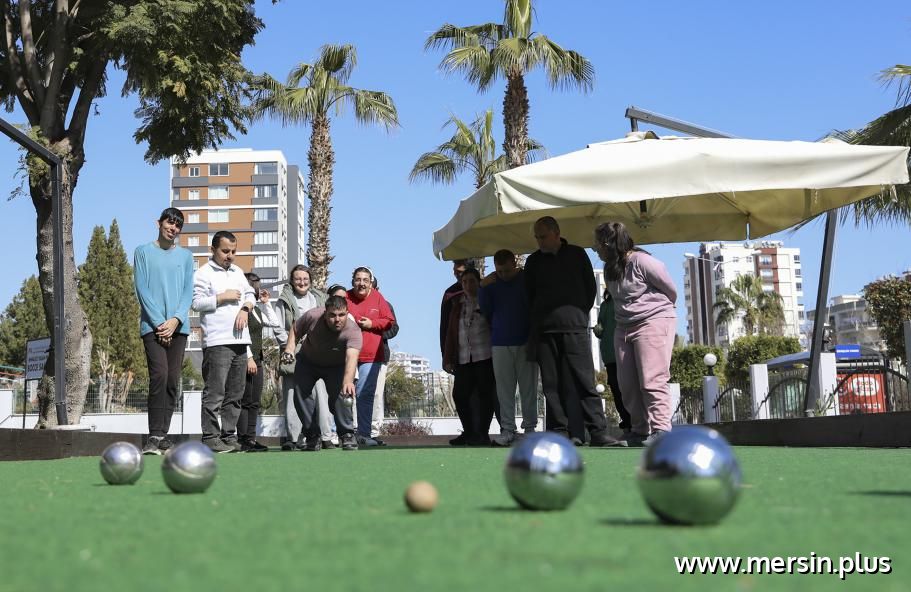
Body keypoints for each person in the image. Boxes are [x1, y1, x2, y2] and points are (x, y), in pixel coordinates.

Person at [524, 216, 616, 446]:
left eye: (543, 236)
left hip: (575, 327)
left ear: (556, 233)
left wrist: (578, 313)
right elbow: (529, 295)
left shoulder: (577, 254)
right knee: (552, 386)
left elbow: (590, 288)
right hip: (545, 331)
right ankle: (560, 434)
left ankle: (597, 431)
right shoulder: (533, 262)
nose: (539, 241)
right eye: (536, 237)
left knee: (585, 381)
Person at [594, 221, 677, 447]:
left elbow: (671, 291)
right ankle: (639, 430)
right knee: (627, 384)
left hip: (653, 321)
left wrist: (655, 313)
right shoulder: (610, 270)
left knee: (652, 379)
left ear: (607, 244)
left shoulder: (643, 261)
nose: (595, 249)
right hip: (623, 326)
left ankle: (661, 429)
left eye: (597, 244)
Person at [133, 207, 195, 455]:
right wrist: (161, 323)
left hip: (178, 327)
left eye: (178, 226)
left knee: (172, 380)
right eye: (170, 223)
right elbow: (142, 289)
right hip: (153, 326)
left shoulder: (186, 256)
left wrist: (175, 321)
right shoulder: (142, 252)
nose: (173, 228)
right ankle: (154, 435)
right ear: (158, 223)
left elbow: (188, 291)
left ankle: (163, 436)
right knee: (159, 375)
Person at [192, 231, 256, 453]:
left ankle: (229, 437)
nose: (230, 255)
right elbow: (196, 303)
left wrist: (246, 308)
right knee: (215, 393)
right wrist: (222, 297)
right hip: (217, 342)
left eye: (233, 251)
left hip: (241, 341)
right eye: (225, 251)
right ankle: (211, 437)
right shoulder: (203, 273)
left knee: (235, 394)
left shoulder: (237, 272)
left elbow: (250, 294)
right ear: (213, 250)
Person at [280, 296, 362, 451]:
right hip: (308, 362)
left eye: (341, 315)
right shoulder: (312, 316)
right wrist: (289, 349)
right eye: (332, 315)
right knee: (300, 394)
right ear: (325, 313)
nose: (337, 319)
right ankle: (312, 436)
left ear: (347, 313)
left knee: (342, 394)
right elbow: (296, 329)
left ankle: (347, 434)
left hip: (336, 366)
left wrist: (348, 381)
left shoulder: (353, 331)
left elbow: (351, 358)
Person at [479, 249, 538, 447]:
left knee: (529, 388)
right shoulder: (490, 284)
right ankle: (507, 430)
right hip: (500, 342)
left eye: (507, 270)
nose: (503, 275)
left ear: (515, 264)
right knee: (504, 390)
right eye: (499, 271)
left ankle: (530, 429)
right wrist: (482, 287)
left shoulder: (527, 279)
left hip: (526, 342)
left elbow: (534, 307)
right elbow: (485, 310)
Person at [273, 265, 331, 450]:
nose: (302, 282)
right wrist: (290, 345)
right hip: (292, 353)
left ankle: (325, 435)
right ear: (292, 281)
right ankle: (293, 438)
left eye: (305, 279)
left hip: (317, 352)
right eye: (298, 279)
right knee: (292, 394)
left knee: (320, 394)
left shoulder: (320, 299)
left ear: (311, 281)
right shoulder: (283, 300)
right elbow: (277, 326)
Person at [443, 267, 497, 446]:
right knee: (459, 395)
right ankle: (468, 432)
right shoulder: (457, 303)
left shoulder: (486, 299)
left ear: (479, 282)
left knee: (485, 395)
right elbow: (451, 332)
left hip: (485, 355)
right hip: (463, 357)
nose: (467, 285)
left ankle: (482, 433)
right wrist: (448, 358)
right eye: (464, 281)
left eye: (472, 281)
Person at [345, 267, 395, 447]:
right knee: (344, 395)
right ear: (353, 281)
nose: (361, 283)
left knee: (365, 394)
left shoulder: (378, 298)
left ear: (371, 282)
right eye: (358, 279)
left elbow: (390, 322)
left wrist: (372, 323)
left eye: (365, 280)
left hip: (371, 356)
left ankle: (364, 434)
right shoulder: (345, 297)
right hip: (347, 354)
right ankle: (343, 433)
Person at [238, 272, 282, 452]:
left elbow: (274, 323)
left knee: (254, 401)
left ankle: (251, 438)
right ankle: (242, 439)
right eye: (254, 285)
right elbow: (240, 335)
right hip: (246, 359)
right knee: (245, 400)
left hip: (258, 360)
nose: (257, 289)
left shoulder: (256, 309)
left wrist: (266, 303)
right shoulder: (241, 309)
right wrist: (248, 358)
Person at [593, 288, 632, 439]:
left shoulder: (624, 300)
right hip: (612, 355)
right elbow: (600, 329)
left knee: (624, 390)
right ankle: (628, 424)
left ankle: (633, 424)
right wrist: (598, 330)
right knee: (618, 391)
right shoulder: (606, 305)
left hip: (623, 353)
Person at [371, 277, 398, 445]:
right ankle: (355, 429)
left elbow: (394, 328)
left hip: (379, 355)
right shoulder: (352, 304)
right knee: (355, 394)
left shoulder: (386, 305)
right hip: (356, 356)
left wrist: (375, 330)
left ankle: (374, 431)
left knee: (376, 394)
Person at [440, 259, 468, 358]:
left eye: (460, 272)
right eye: (455, 272)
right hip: (457, 351)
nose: (456, 275)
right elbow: (444, 326)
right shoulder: (450, 293)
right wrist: (446, 356)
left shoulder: (482, 289)